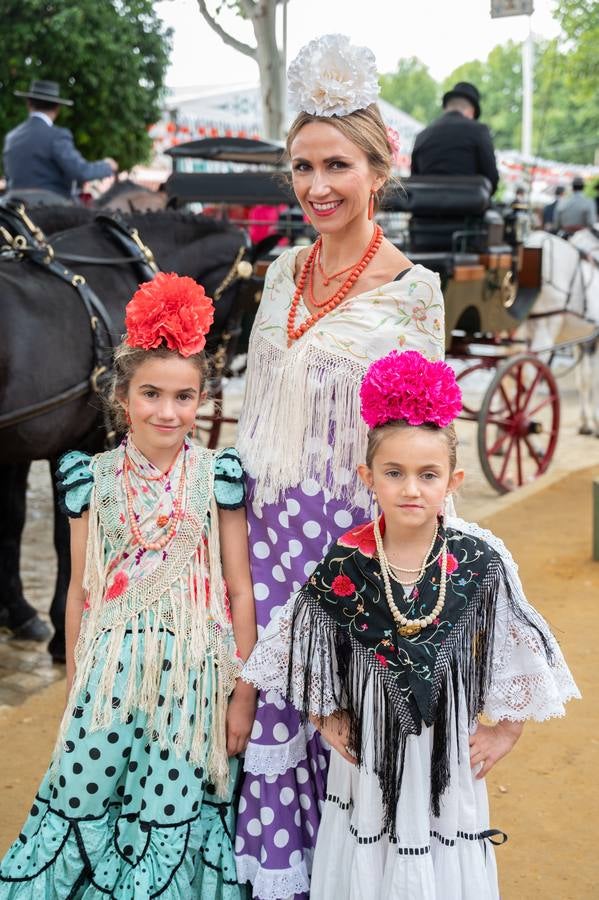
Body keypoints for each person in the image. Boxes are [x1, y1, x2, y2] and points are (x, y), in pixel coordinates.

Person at [243, 349, 580, 900]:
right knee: (370, 841)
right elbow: (301, 645)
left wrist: (506, 729)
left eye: (428, 475)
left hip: (446, 748)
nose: (411, 489)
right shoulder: (346, 561)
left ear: (454, 479)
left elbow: (517, 645)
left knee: (438, 839)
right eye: (394, 473)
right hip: (371, 750)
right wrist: (326, 716)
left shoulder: (477, 559)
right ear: (367, 477)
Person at [234, 33, 446, 899]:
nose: (316, 187)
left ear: (377, 167)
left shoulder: (413, 292)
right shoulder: (282, 271)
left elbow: (418, 456)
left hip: (343, 549)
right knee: (266, 711)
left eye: (336, 166)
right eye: (300, 167)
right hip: (259, 536)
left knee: (343, 725)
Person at [0, 273, 257, 897]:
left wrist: (244, 692)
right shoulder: (92, 480)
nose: (167, 412)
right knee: (86, 783)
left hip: (194, 685)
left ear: (204, 399)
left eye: (184, 397)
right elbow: (79, 590)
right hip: (111, 676)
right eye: (151, 394)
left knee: (172, 800)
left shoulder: (218, 477)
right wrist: (74, 678)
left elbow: (240, 588)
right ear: (121, 397)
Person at [3, 79, 117, 200]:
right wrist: (107, 166)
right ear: (57, 108)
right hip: (50, 206)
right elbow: (80, 171)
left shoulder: (11, 136)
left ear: (28, 104)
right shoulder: (57, 136)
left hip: (13, 205)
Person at [410, 81, 499, 194]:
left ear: (446, 108)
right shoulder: (479, 130)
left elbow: (415, 180)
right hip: (469, 209)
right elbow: (492, 179)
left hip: (424, 210)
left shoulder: (422, 136)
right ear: (471, 112)